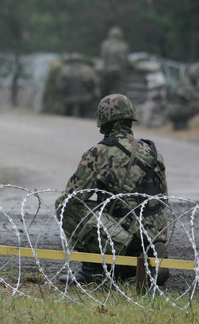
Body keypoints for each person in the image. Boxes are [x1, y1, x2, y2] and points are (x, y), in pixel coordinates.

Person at [55, 94, 169, 285]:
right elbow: (163, 197)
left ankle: (93, 269)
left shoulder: (99, 152)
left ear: (103, 122)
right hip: (155, 231)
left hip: (125, 235)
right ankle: (145, 259)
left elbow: (73, 195)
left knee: (64, 205)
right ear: (130, 119)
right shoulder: (153, 151)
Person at [100, 27, 130, 96]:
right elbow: (125, 60)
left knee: (105, 91)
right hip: (120, 71)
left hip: (108, 70)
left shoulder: (105, 44)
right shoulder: (123, 45)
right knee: (120, 92)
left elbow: (103, 57)